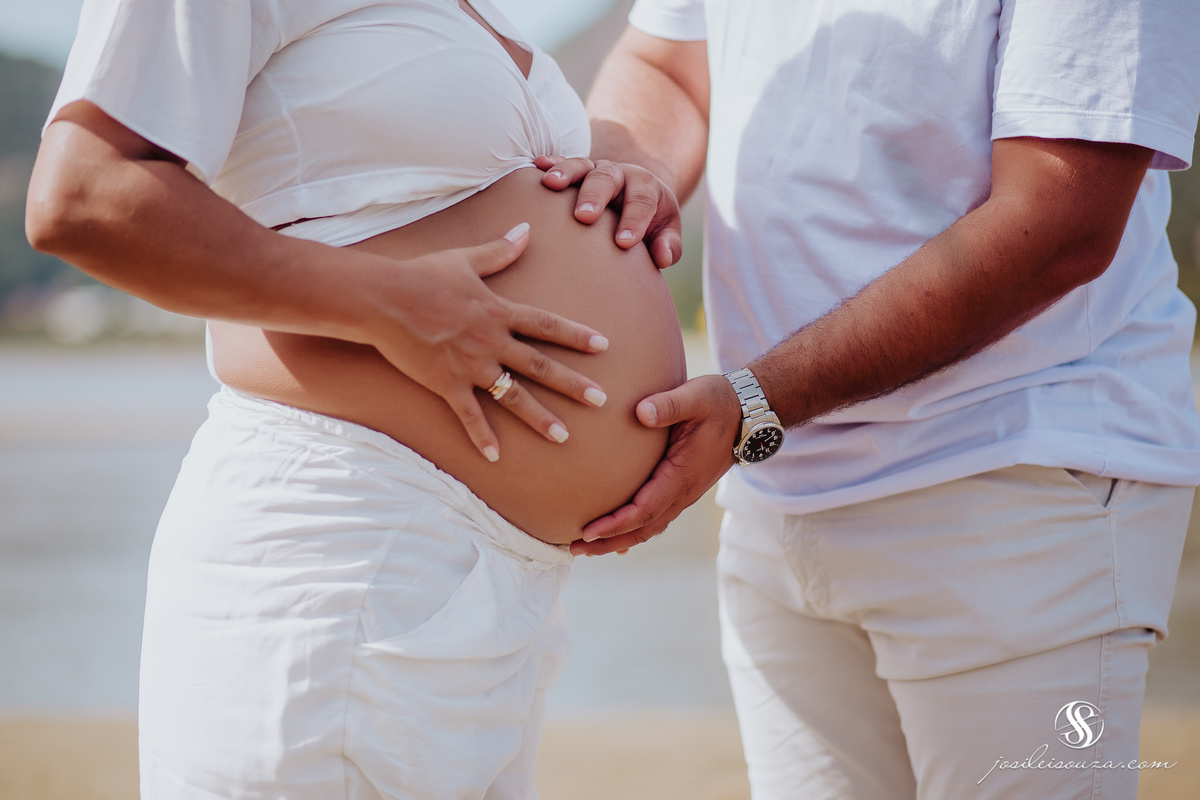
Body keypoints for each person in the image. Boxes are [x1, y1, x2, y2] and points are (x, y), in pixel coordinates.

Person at [25, 0, 686, 796]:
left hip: (495, 588)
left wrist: (613, 178)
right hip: (337, 553)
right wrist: (392, 303)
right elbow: (85, 193)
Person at [552, 0, 1200, 797]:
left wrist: (756, 403)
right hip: (774, 498)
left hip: (1015, 487)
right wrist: (628, 176)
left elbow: (1060, 219)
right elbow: (668, 65)